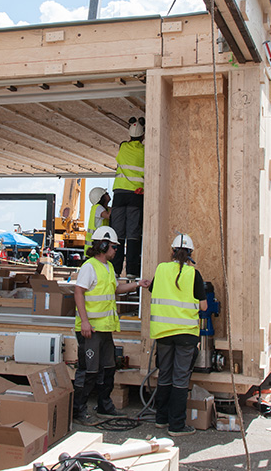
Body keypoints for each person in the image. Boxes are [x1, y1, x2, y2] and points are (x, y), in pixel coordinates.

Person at [72, 226, 150, 425]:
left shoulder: (108, 268)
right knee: (88, 371)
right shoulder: (89, 267)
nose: (116, 250)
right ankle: (78, 410)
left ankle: (104, 406)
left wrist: (137, 284)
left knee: (108, 368)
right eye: (114, 246)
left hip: (105, 330)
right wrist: (85, 323)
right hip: (91, 330)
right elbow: (78, 292)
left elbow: (117, 289)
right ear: (104, 245)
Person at [150, 234, 207, 437]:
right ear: (190, 254)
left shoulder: (161, 269)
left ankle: (161, 419)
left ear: (172, 251)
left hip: (163, 334)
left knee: (164, 374)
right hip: (185, 335)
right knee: (180, 378)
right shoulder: (194, 274)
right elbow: (203, 306)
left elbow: (153, 288)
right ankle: (176, 425)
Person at [110, 117, 145, 277]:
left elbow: (126, 141)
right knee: (133, 233)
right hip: (135, 195)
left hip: (119, 195)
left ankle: (115, 270)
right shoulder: (144, 151)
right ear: (143, 136)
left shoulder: (123, 147)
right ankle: (131, 271)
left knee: (117, 233)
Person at [84, 187, 111, 253]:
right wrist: (112, 209)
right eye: (106, 193)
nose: (108, 195)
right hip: (95, 246)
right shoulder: (98, 208)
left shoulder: (99, 208)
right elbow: (108, 216)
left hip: (95, 245)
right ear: (101, 197)